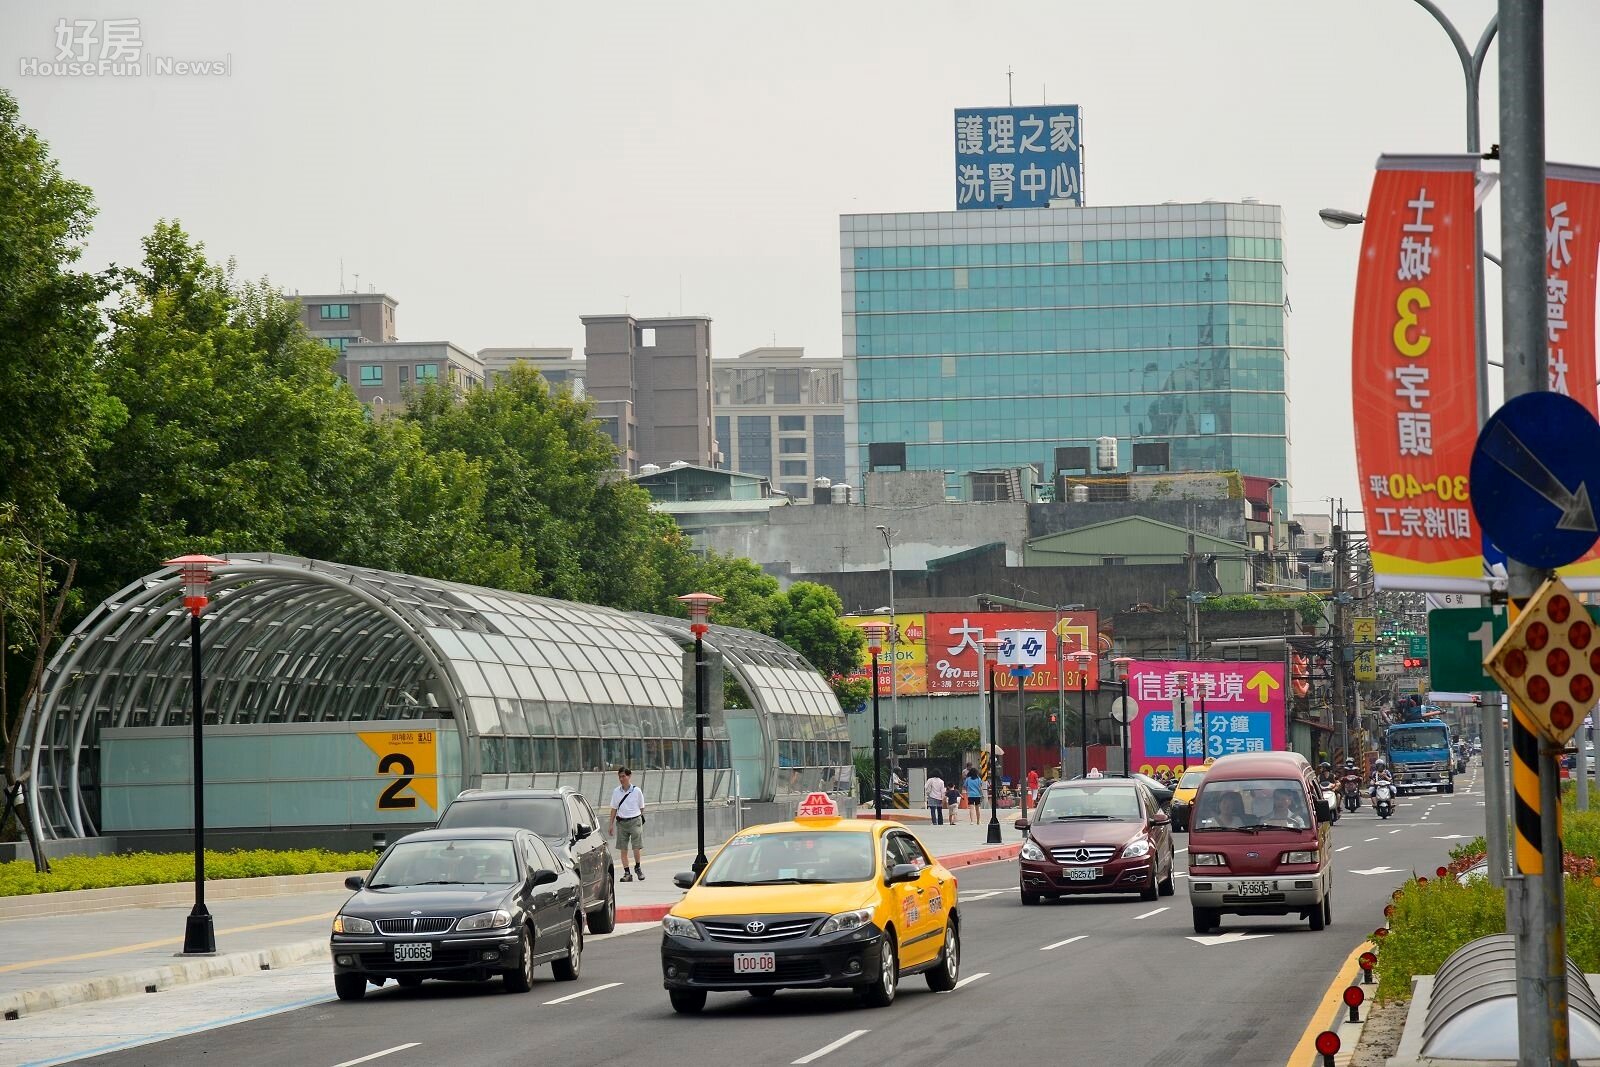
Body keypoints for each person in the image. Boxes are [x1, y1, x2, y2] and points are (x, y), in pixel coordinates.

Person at [608, 767, 646, 882]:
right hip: (621, 822)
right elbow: (614, 808)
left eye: (623, 776)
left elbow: (641, 807)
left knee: (636, 846)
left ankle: (638, 867)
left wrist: (635, 816)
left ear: (629, 776)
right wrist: (611, 824)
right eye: (620, 777)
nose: (621, 779)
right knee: (623, 848)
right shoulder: (616, 792)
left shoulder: (636, 791)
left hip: (635, 820)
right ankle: (627, 872)